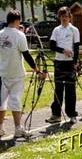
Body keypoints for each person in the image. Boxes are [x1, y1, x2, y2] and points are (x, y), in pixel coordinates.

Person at [0, 10, 46, 138]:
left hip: (3, 72)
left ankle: (0, 128)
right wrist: (38, 71)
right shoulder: (19, 35)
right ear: (17, 21)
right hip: (16, 73)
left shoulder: (1, 34)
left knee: (2, 101)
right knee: (15, 100)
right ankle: (17, 129)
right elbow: (26, 55)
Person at [46, 6, 80, 124]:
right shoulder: (56, 30)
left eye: (66, 16)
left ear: (69, 17)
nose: (64, 18)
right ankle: (56, 114)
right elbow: (52, 46)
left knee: (70, 89)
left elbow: (76, 48)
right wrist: (63, 50)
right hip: (59, 62)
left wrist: (75, 63)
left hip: (70, 63)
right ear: (59, 17)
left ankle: (72, 114)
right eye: (62, 16)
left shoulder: (74, 30)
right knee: (58, 89)